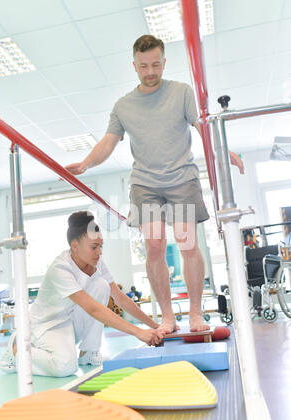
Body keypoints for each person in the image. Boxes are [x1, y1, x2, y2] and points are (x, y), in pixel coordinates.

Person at [65, 35, 244, 335]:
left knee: (187, 243)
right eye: (144, 66)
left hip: (181, 177)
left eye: (156, 64)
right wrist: (84, 164)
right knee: (155, 247)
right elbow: (108, 143)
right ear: (134, 65)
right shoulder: (123, 106)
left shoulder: (181, 92)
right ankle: (167, 317)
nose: (150, 72)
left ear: (164, 62)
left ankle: (196, 313)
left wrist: (224, 151)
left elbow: (203, 129)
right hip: (146, 184)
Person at [0, 211, 163, 377]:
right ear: (75, 246)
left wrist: (155, 325)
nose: (99, 252)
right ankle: (17, 350)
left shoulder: (97, 263)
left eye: (101, 246)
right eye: (94, 247)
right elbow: (94, 309)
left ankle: (88, 352)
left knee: (101, 285)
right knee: (65, 368)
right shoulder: (61, 268)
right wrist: (138, 332)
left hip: (70, 319)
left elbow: (120, 298)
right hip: (46, 324)